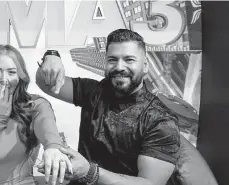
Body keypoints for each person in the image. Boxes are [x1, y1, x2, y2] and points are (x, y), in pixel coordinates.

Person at [36, 29, 181, 185]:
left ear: (145, 66)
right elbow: (46, 83)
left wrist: (90, 173)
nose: (119, 66)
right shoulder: (94, 91)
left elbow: (150, 183)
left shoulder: (161, 120)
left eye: (129, 59)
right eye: (112, 59)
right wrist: (51, 56)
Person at [0, 45, 72, 185]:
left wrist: (53, 147)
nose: (4, 79)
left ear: (20, 77)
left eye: (11, 72)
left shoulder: (36, 105)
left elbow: (48, 130)